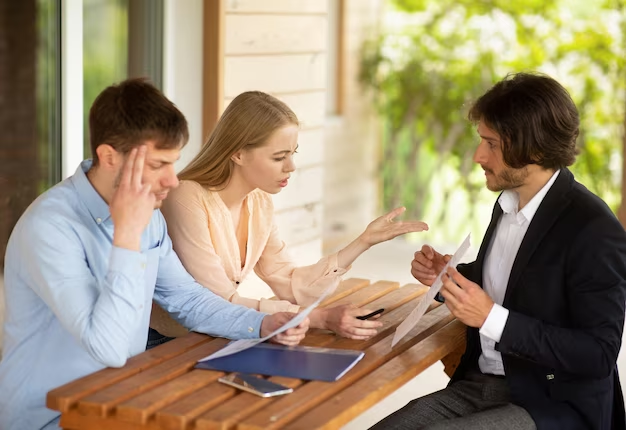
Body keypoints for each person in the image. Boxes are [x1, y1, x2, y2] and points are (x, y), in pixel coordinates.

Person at [0, 78, 308, 430]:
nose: (172, 181)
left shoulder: (147, 218)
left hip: (120, 399)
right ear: (109, 157)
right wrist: (127, 235)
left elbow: (188, 300)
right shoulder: (52, 227)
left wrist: (261, 324)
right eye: (158, 165)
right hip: (52, 416)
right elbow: (108, 348)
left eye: (173, 163)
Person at [371, 73, 626, 430]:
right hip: (482, 385)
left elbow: (597, 353)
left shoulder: (593, 230)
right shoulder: (509, 202)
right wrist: (449, 280)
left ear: (534, 150)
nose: (478, 155)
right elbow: (520, 280)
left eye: (491, 144)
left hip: (552, 404)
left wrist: (491, 317)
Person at [150, 90, 429, 340]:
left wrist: (363, 242)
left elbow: (292, 285)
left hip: (220, 335)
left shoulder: (258, 202)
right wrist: (318, 319)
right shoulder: (185, 198)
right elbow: (219, 301)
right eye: (278, 157)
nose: (291, 166)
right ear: (237, 154)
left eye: (293, 153)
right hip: (169, 341)